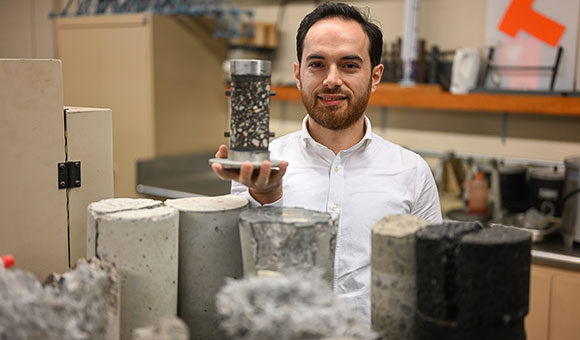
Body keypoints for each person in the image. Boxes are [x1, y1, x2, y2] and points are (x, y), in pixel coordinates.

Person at [212, 2, 442, 321]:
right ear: (298, 74)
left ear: (375, 76)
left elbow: (432, 283)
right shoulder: (261, 168)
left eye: (349, 65)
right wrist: (266, 200)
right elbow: (244, 273)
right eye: (317, 64)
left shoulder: (412, 171)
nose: (331, 80)